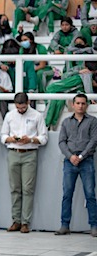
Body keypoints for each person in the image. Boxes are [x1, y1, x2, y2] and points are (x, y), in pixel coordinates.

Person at [0, 92, 48, 233]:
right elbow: (3, 135)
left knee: (28, 189)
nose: (20, 110)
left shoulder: (37, 116)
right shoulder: (10, 115)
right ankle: (16, 220)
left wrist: (31, 140)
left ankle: (26, 222)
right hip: (13, 152)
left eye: (23, 107)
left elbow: (44, 138)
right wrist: (11, 139)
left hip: (29, 153)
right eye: (18, 107)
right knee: (15, 188)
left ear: (28, 103)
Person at [55, 93, 97, 236]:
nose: (80, 106)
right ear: (73, 105)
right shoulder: (66, 122)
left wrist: (80, 156)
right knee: (67, 194)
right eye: (78, 103)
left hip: (87, 161)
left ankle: (94, 225)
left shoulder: (93, 121)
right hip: (69, 161)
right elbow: (61, 141)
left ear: (87, 105)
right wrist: (70, 156)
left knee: (90, 194)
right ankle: (64, 225)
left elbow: (93, 141)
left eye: (83, 103)